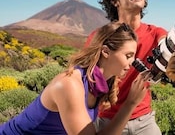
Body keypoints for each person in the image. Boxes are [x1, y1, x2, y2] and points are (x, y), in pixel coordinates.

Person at [0, 22, 150, 135]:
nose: (132, 63)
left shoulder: (100, 84)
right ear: (106, 52)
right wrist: (130, 103)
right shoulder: (70, 85)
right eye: (128, 56)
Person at [87, 0, 167, 135]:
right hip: (107, 121)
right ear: (115, 0)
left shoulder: (155, 33)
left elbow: (172, 45)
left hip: (144, 120)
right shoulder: (99, 37)